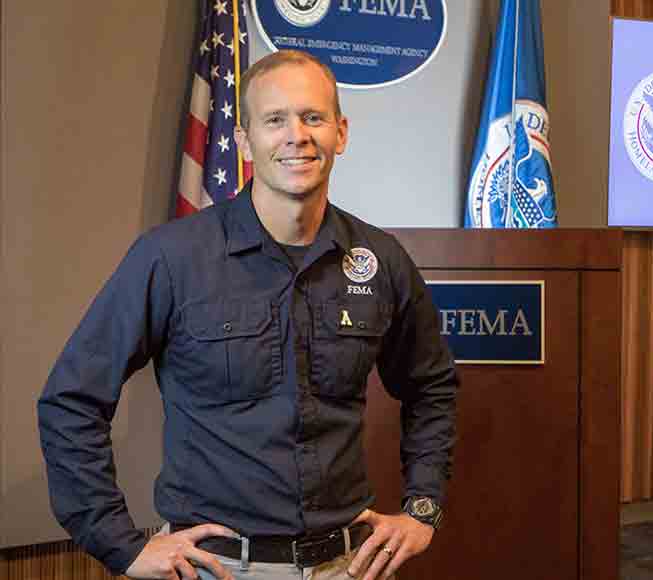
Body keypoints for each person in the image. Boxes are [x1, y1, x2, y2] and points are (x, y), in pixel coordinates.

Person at [37, 50, 458, 580]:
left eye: (313, 117)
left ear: (341, 133)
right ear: (244, 142)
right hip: (218, 569)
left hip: (349, 564)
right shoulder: (171, 259)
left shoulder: (382, 261)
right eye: (275, 119)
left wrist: (424, 507)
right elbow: (71, 399)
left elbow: (432, 387)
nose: (296, 135)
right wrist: (119, 543)